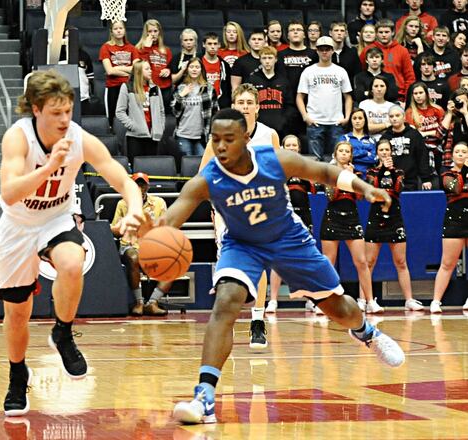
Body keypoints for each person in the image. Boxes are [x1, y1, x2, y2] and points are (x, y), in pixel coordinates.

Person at [166, 109, 404, 426]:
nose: (220, 147)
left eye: (228, 139)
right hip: (242, 244)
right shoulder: (209, 178)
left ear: (246, 140)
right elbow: (169, 221)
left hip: (288, 239)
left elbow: (325, 172)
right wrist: (146, 229)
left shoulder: (273, 159)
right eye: (215, 140)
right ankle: (205, 397)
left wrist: (365, 188)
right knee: (225, 302)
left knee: (339, 309)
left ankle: (367, 332)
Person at [0, 69, 143, 416]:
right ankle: (18, 373)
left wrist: (134, 209)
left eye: (67, 111)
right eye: (55, 113)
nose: (64, 119)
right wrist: (51, 166)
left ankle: (62, 332)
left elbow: (122, 177)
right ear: (36, 109)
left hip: (56, 218)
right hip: (19, 223)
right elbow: (10, 191)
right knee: (17, 312)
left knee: (73, 263)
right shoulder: (18, 138)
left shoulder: (79, 138)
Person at [198, 83, 279, 348]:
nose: (245, 107)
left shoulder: (269, 135)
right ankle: (227, 322)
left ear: (257, 106)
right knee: (229, 264)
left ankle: (257, 321)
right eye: (240, 102)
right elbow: (203, 174)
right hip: (228, 206)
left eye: (249, 102)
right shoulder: (220, 135)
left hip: (259, 206)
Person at [364, 138, 425, 311]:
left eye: (387, 150)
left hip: (394, 218)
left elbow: (398, 189)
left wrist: (390, 171)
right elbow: (371, 192)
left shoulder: (399, 172)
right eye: (381, 150)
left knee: (400, 261)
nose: (384, 152)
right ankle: (366, 300)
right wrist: (382, 170)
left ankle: (409, 299)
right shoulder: (371, 172)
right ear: (377, 152)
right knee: (369, 262)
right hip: (375, 218)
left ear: (391, 152)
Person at [320, 141, 380, 312]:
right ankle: (325, 302)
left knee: (361, 261)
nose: (344, 154)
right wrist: (342, 178)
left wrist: (352, 178)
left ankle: (370, 301)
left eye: (347, 151)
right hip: (332, 219)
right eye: (341, 151)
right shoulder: (328, 174)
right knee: (328, 262)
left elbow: (361, 197)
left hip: (352, 220)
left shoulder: (357, 174)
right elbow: (330, 195)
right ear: (335, 154)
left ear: (351, 156)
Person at [267, 135, 315, 313]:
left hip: (304, 216)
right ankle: (273, 300)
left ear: (299, 148)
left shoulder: (306, 168)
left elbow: (316, 190)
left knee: (306, 259)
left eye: (295, 145)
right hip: (282, 217)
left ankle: (310, 299)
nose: (292, 147)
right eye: (289, 145)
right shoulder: (276, 169)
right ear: (282, 147)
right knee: (277, 259)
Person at [111, 172, 171, 316]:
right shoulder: (123, 204)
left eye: (142, 184)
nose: (139, 187)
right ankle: (139, 302)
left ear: (147, 186)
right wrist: (125, 226)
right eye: (136, 184)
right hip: (130, 246)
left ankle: (152, 303)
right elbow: (114, 230)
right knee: (133, 257)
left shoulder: (159, 203)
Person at [297, 36, 353, 160]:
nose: (324, 52)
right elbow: (300, 96)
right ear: (316, 51)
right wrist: (305, 116)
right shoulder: (308, 71)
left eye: (327, 49)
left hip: (336, 122)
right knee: (315, 162)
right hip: (315, 122)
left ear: (333, 50)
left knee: (338, 160)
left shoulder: (340, 71)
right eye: (321, 49)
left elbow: (348, 97)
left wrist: (347, 117)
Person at [431, 142, 468, 312]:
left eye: (464, 152)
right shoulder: (446, 172)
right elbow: (456, 188)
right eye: (458, 152)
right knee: (447, 263)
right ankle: (436, 301)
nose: (461, 154)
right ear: (452, 155)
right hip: (455, 220)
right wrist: (465, 171)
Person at [116, 60, 164, 162]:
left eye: (150, 68)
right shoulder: (127, 87)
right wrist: (134, 126)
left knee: (151, 170)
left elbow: (161, 111)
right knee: (136, 171)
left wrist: (160, 127)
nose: (150, 71)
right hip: (135, 137)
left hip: (153, 135)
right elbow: (120, 112)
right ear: (138, 72)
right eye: (147, 69)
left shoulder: (155, 88)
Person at [380, 105, 437, 190]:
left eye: (397, 115)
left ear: (404, 117)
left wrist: (425, 179)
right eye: (391, 116)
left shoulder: (414, 135)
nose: (394, 118)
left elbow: (422, 157)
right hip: (391, 180)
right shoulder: (385, 137)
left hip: (412, 180)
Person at [360, 19, 415, 103]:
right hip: (372, 97)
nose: (384, 35)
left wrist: (406, 99)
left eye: (386, 32)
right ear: (376, 33)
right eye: (381, 32)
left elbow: (410, 77)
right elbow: (362, 72)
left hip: (398, 97)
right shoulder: (368, 50)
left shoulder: (402, 50)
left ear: (392, 32)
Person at [172, 57, 218, 156]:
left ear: (201, 69)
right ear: (187, 69)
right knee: (186, 164)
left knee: (202, 163)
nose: (194, 69)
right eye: (191, 67)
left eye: (197, 67)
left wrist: (212, 133)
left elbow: (215, 113)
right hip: (183, 134)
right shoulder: (180, 88)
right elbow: (175, 113)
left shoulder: (209, 89)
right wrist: (181, 96)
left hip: (201, 136)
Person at [247, 46, 293, 135]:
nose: (267, 61)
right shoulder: (252, 79)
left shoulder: (283, 80)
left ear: (275, 59)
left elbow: (290, 104)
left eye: (270, 58)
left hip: (280, 128)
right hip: (258, 128)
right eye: (264, 58)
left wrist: (284, 121)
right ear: (260, 60)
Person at [406, 81, 445, 171]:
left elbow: (443, 131)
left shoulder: (438, 109)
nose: (418, 96)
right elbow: (413, 134)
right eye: (415, 93)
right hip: (421, 149)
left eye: (420, 93)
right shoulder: (409, 112)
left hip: (438, 147)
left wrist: (426, 133)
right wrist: (434, 132)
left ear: (426, 94)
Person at [137, 19, 173, 110]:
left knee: (163, 113)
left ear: (159, 32)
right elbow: (142, 66)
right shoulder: (139, 48)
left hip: (165, 87)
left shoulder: (166, 50)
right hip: (148, 87)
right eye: (150, 31)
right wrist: (147, 48)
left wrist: (168, 70)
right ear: (146, 33)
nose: (153, 34)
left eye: (155, 31)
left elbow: (170, 66)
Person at [437, 88, 468, 171]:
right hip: (449, 163)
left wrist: (465, 113)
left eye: (464, 101)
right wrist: (450, 112)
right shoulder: (448, 117)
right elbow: (439, 135)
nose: (461, 103)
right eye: (458, 101)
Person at [340, 108, 377, 176]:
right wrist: (365, 152)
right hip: (349, 174)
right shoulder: (344, 138)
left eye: (360, 118)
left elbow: (373, 159)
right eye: (354, 118)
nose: (357, 121)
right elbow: (343, 157)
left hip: (368, 177)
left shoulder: (371, 140)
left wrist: (353, 156)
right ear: (351, 121)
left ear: (365, 120)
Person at [359, 76, 395, 141]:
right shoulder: (364, 104)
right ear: (371, 89)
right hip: (366, 140)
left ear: (386, 88)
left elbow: (393, 128)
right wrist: (386, 125)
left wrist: (374, 127)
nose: (379, 89)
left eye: (382, 86)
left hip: (387, 141)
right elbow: (364, 127)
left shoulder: (392, 106)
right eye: (376, 86)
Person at [201, 32, 231, 110]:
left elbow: (228, 87)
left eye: (215, 44)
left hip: (221, 103)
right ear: (204, 45)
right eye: (209, 44)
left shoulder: (224, 65)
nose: (212, 47)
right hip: (202, 101)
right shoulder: (198, 63)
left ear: (219, 45)